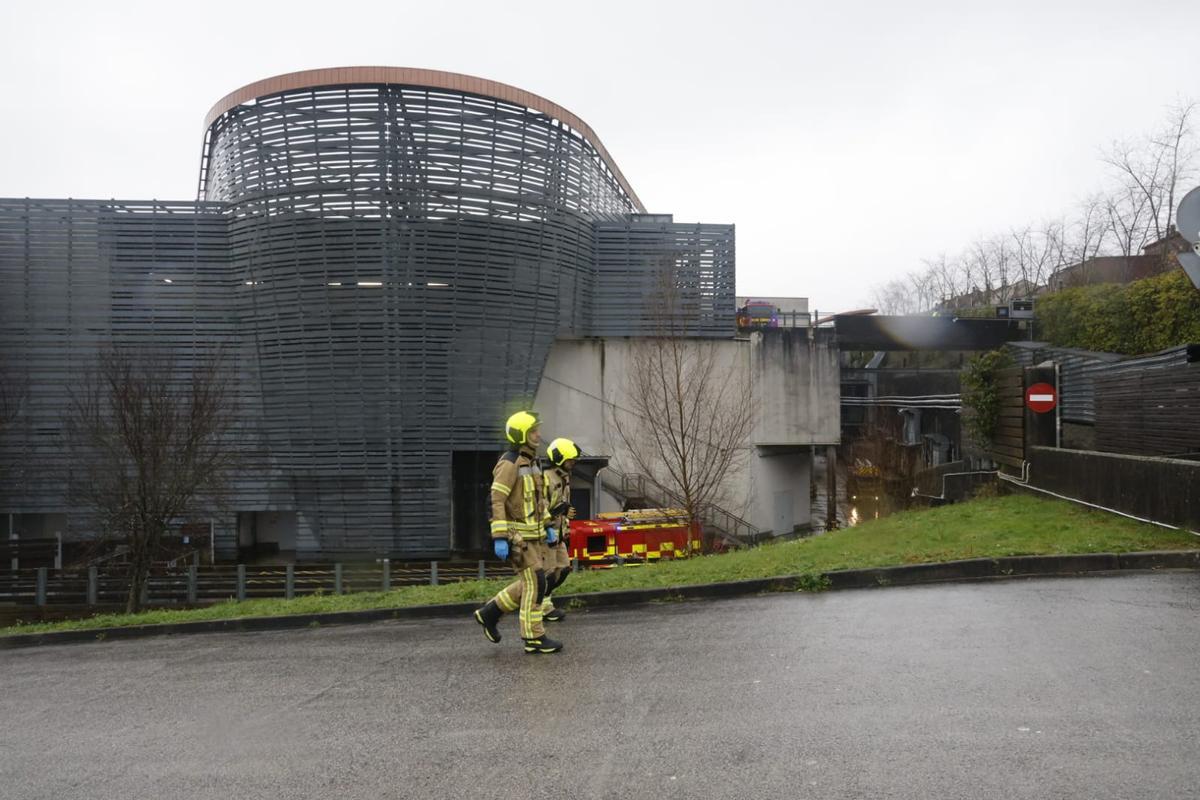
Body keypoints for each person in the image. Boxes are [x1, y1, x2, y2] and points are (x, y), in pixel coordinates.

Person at [472, 411, 563, 654]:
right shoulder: (509, 463)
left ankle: (488, 613)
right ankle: (533, 636)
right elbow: (496, 500)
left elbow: (538, 501)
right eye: (534, 431)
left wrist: (547, 526)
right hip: (516, 538)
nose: (538, 434)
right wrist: (500, 537)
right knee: (537, 583)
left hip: (534, 536)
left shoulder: (533, 463)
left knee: (530, 583)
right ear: (521, 434)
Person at [540, 437, 579, 622]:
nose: (573, 463)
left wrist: (567, 522)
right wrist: (558, 513)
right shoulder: (546, 478)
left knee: (563, 569)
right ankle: (544, 607)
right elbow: (541, 508)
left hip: (560, 533)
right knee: (548, 572)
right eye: (570, 460)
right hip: (548, 533)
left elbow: (562, 504)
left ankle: (543, 602)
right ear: (559, 459)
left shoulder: (564, 478)